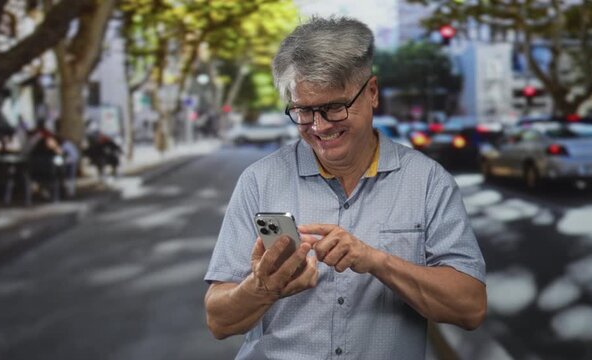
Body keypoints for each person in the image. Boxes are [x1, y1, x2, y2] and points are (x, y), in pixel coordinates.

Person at [204, 16, 486, 359]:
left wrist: (376, 261)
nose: (319, 127)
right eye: (304, 112)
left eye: (334, 108)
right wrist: (261, 288)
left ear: (372, 93)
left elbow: (470, 308)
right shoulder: (259, 181)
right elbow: (219, 320)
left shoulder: (428, 182)